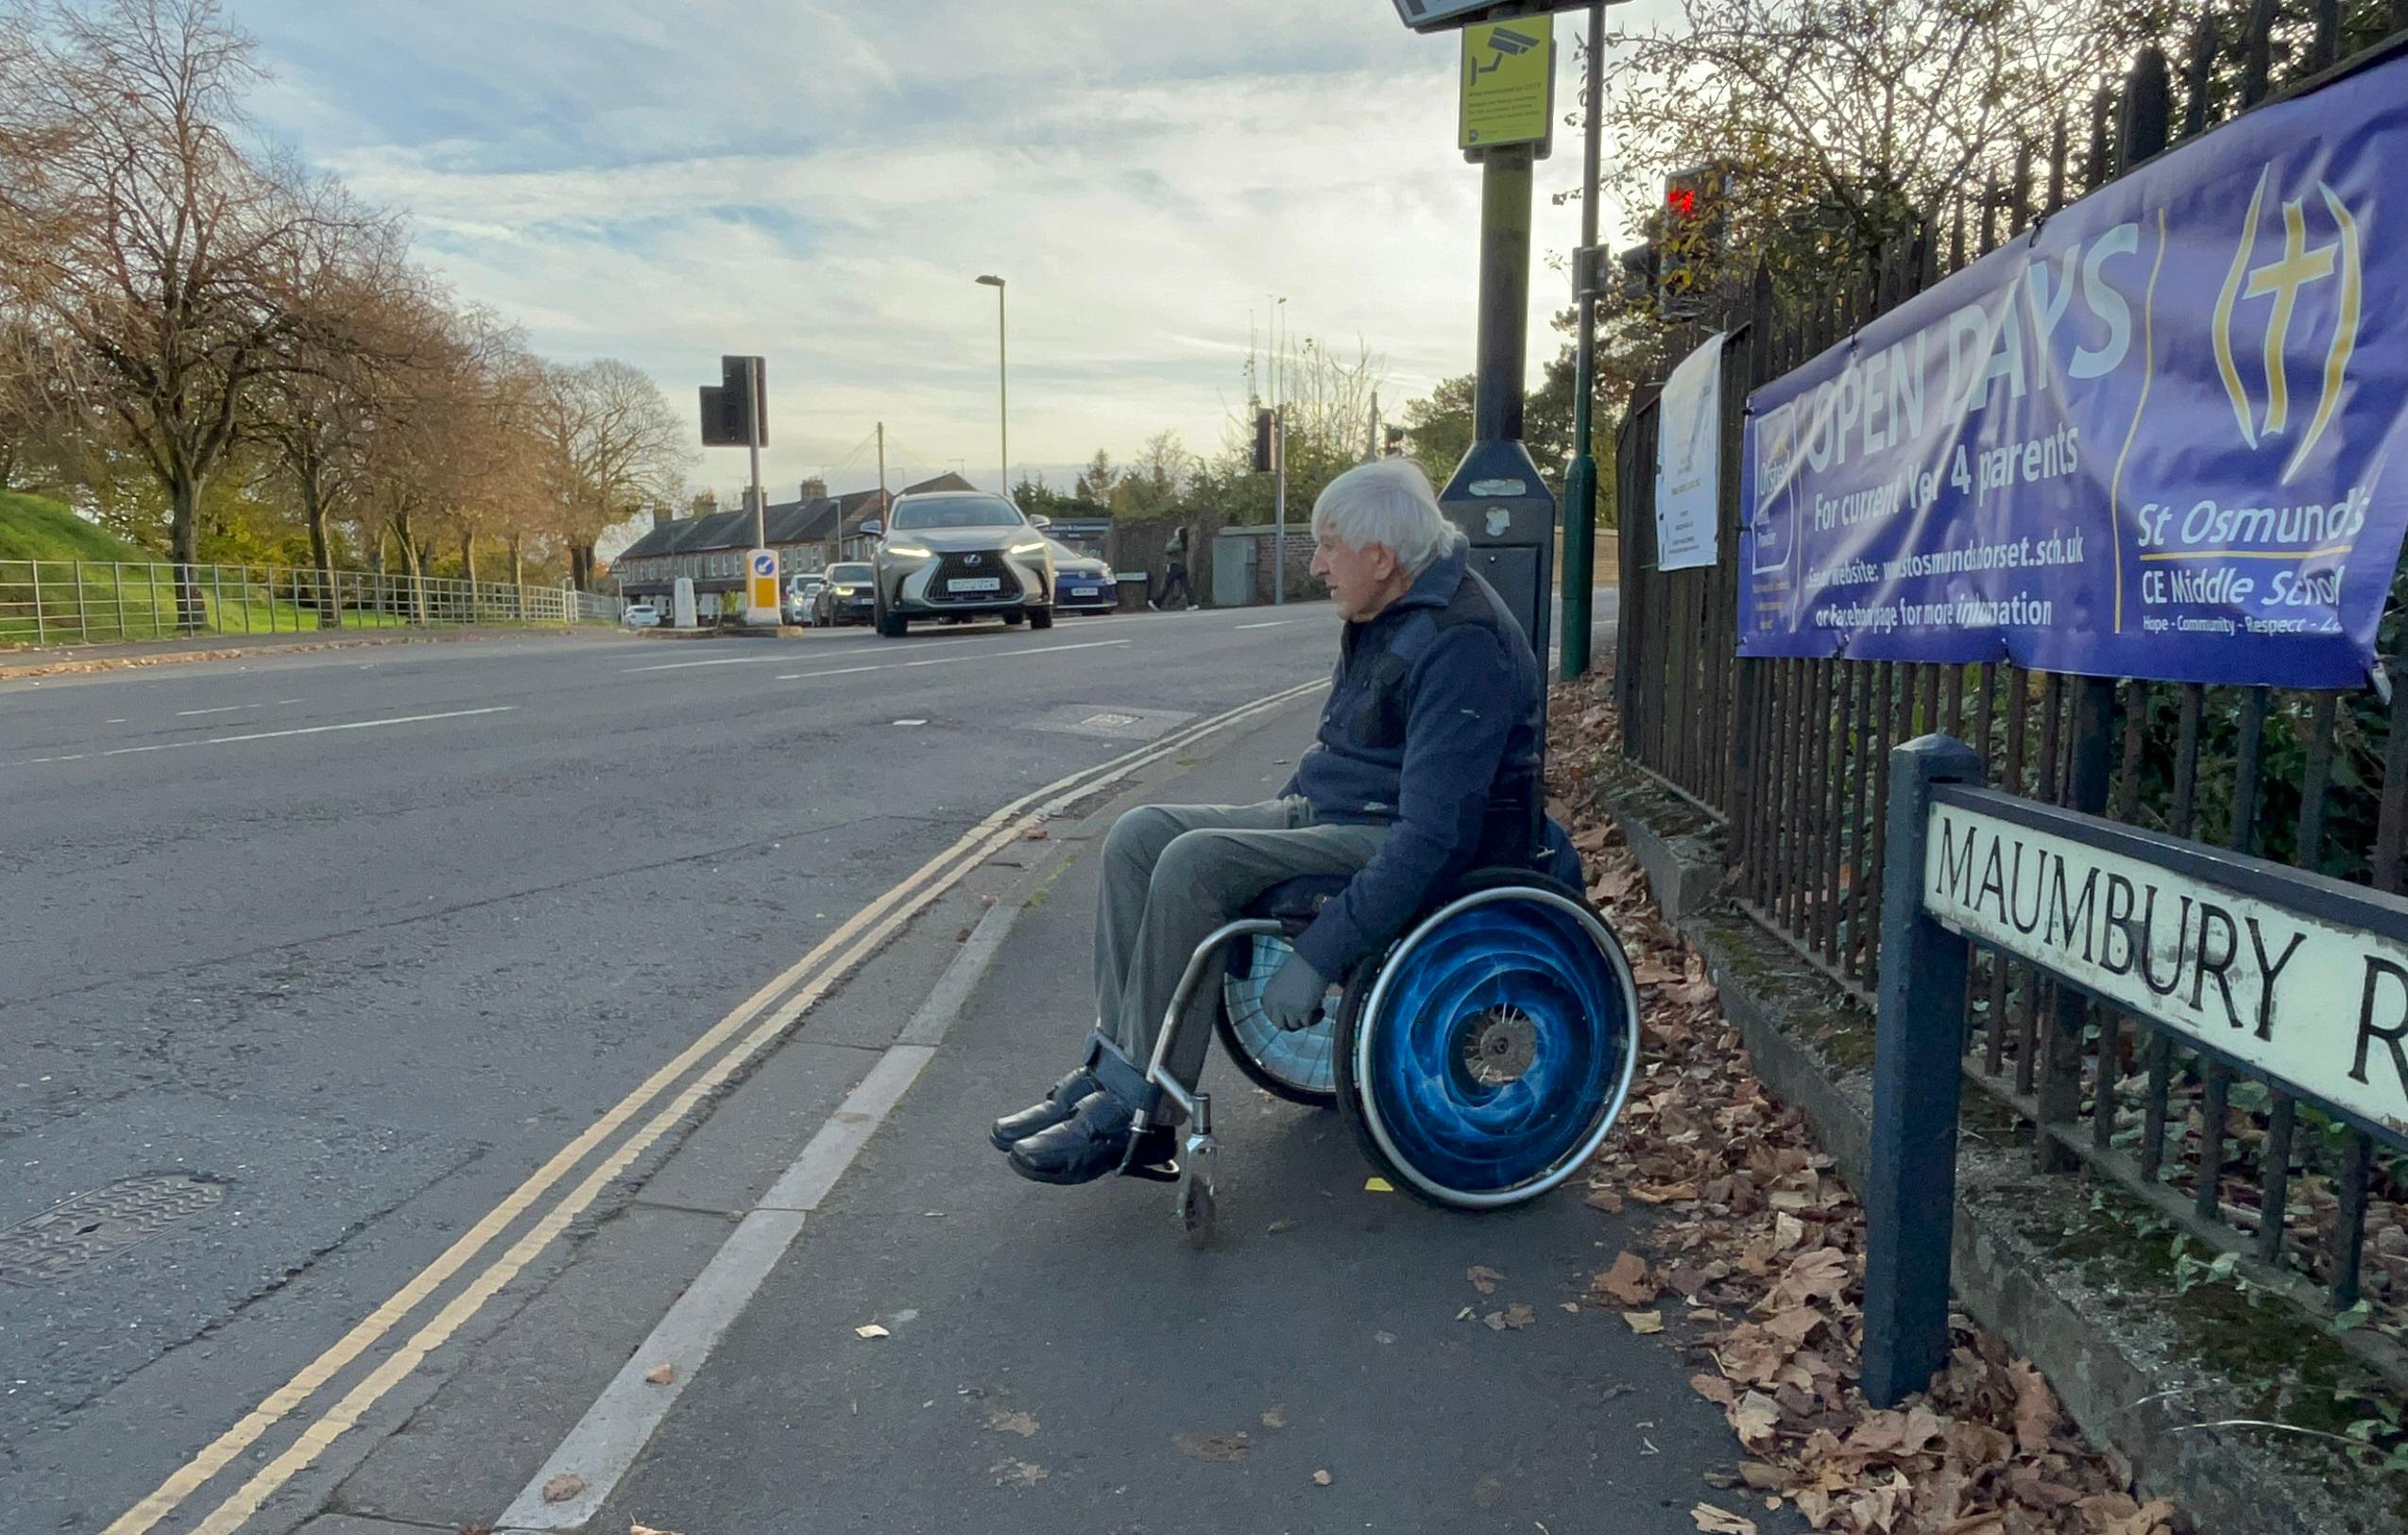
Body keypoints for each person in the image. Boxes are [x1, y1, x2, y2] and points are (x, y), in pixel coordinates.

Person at [994, 457, 1545, 1185]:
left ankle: (1140, 1109)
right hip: (1341, 809)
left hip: (1403, 834)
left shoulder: (1459, 641)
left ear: (1380, 558)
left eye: (1326, 546)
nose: (1315, 564)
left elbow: (1434, 834)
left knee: (1196, 862)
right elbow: (1348, 749)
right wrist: (1281, 813)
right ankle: (1114, 1067)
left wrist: (1320, 953)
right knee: (1138, 835)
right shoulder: (1395, 606)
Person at [1151, 526, 1192, 610]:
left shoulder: (1178, 542)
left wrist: (1174, 540)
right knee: (1186, 586)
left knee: (1167, 585)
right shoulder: (1184, 542)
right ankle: (1193, 603)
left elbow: (1167, 549)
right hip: (1182, 566)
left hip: (1175, 566)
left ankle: (1157, 603)